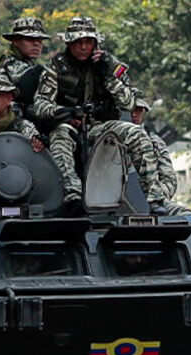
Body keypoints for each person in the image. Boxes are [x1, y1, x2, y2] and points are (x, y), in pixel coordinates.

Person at [35, 17, 166, 213]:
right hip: (69, 125)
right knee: (60, 135)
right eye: (78, 42)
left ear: (96, 44)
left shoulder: (111, 65)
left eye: (88, 42)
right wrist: (65, 112)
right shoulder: (55, 67)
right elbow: (40, 105)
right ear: (69, 43)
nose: (83, 47)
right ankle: (73, 195)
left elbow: (128, 102)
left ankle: (155, 198)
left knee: (135, 133)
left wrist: (108, 74)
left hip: (102, 127)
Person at [0, 16, 54, 117]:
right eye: (30, 39)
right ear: (15, 41)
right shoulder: (10, 63)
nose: (36, 44)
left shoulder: (29, 63)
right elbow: (31, 79)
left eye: (39, 40)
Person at [131, 98, 178, 202]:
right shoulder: (110, 139)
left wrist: (158, 198)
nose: (134, 114)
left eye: (138, 110)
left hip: (146, 200)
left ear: (144, 112)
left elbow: (169, 179)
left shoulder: (155, 142)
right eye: (131, 110)